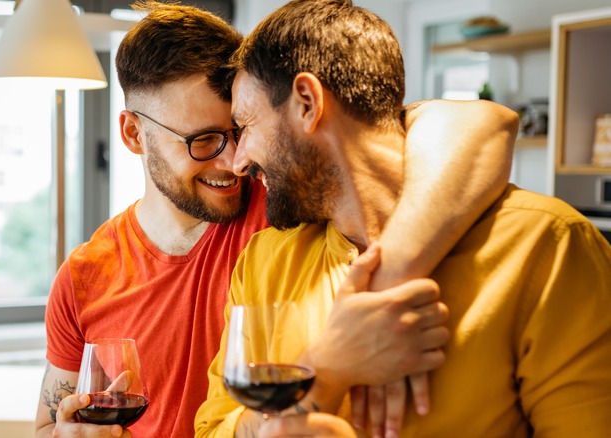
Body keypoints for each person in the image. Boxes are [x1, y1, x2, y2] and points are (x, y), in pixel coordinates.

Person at [34, 2, 520, 437]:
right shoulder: (83, 277)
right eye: (203, 140)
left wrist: (391, 274)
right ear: (133, 134)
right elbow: (46, 427)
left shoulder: (286, 204)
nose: (235, 161)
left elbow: (477, 124)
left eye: (240, 130)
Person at [195, 1, 611, 437]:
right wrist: (322, 375)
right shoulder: (265, 262)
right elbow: (211, 430)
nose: (238, 162)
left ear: (306, 102)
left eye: (245, 126)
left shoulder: (547, 245)